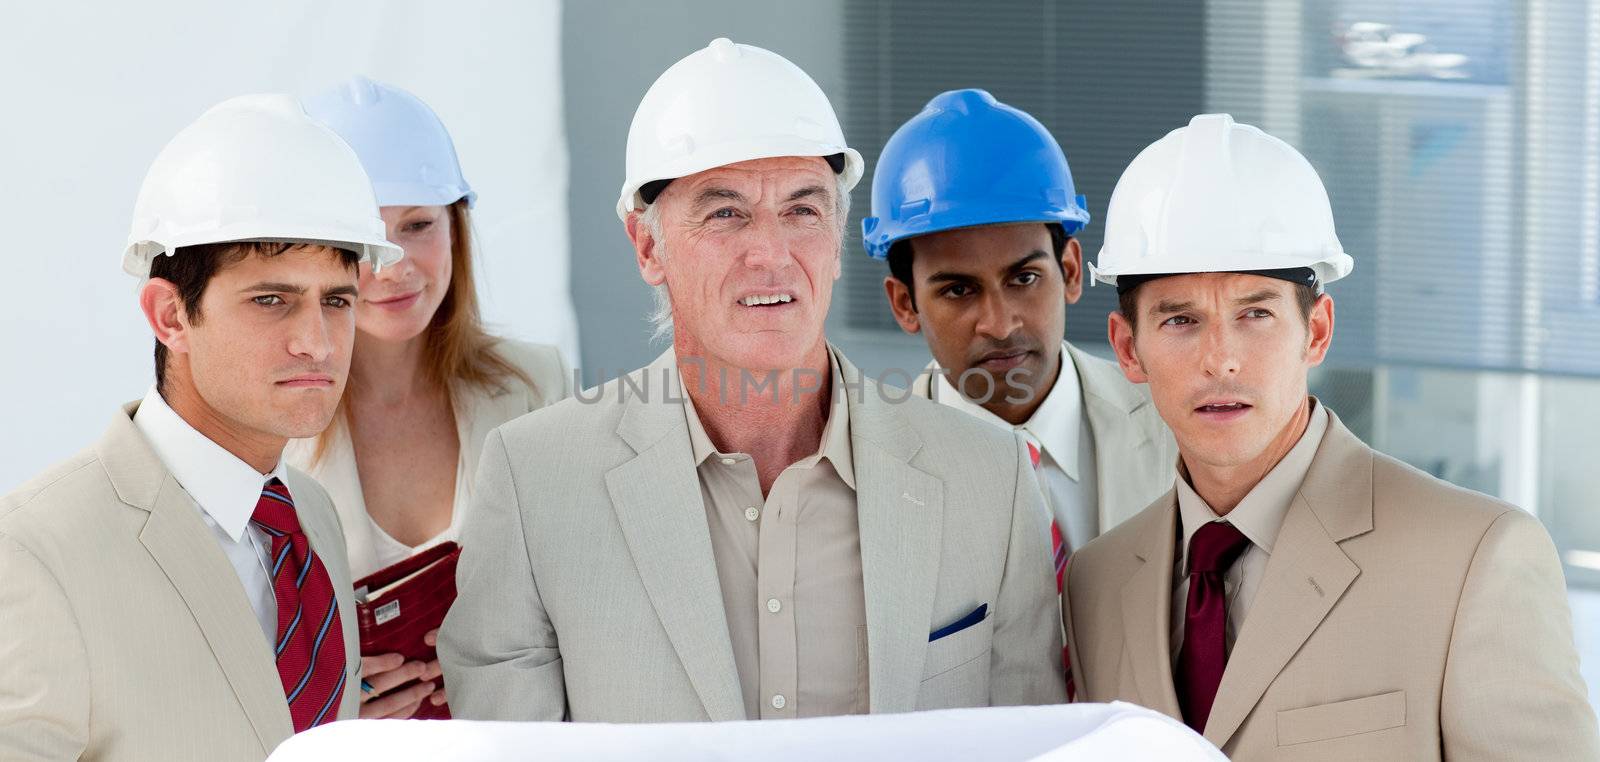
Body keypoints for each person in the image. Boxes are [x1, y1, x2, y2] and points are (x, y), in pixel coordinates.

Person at [439, 38, 1064, 723]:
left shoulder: (988, 479)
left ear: (835, 239)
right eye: (725, 212)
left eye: (802, 209)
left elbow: (1025, 743)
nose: (771, 254)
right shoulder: (535, 485)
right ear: (649, 246)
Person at [1062, 114, 1600, 759]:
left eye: (1255, 314)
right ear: (1128, 350)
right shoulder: (1097, 583)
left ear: (1315, 331)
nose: (1221, 360)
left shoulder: (1475, 560)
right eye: (1180, 321)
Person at [0, 94, 400, 761]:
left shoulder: (312, 518)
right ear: (170, 316)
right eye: (271, 300)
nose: (318, 343)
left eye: (336, 300)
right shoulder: (37, 550)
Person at [290, 76, 572, 720]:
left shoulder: (538, 386)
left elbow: (595, 598)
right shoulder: (265, 416)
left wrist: (504, 663)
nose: (395, 266)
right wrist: (329, 701)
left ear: (456, 230)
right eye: (366, 237)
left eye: (418, 225)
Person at [867, 88, 1176, 567]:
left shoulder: (1176, 427)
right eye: (958, 290)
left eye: (1025, 278)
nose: (1000, 323)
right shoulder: (864, 478)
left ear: (1071, 271)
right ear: (905, 304)